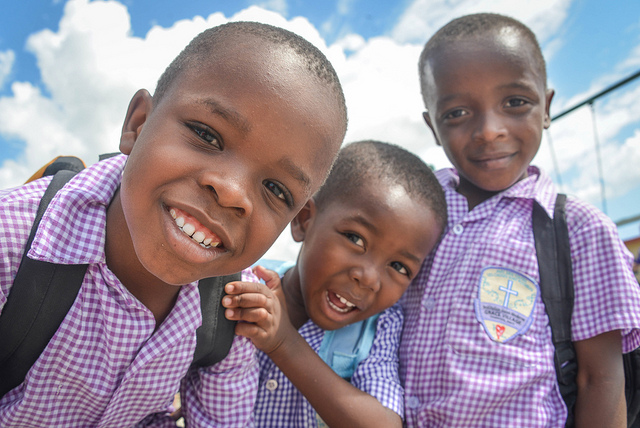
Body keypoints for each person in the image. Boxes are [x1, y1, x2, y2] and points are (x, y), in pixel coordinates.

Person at [0, 21, 347, 427]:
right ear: (138, 124)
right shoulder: (13, 240)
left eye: (276, 189)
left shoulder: (234, 312)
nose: (232, 192)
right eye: (206, 134)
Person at [399, 12, 640, 427]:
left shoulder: (580, 230)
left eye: (515, 103)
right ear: (432, 126)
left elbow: (599, 379)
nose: (490, 131)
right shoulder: (410, 211)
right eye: (457, 113)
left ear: (545, 107)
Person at [222, 140, 448, 428]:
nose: (367, 278)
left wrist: (284, 342)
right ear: (304, 220)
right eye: (355, 239)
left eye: (399, 267)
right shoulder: (247, 283)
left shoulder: (379, 329)